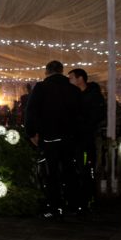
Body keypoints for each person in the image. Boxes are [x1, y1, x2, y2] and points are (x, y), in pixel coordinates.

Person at [25, 60, 82, 219]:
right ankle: (73, 205)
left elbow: (31, 111)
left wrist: (31, 133)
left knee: (51, 173)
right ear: (62, 71)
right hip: (69, 138)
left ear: (47, 72)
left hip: (49, 137)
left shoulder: (41, 88)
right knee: (70, 171)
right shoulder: (73, 90)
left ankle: (54, 206)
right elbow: (79, 115)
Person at [68, 68, 106, 213]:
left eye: (71, 78)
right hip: (75, 138)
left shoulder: (93, 96)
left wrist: (81, 122)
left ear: (80, 79)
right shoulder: (75, 95)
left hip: (86, 139)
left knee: (85, 168)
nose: (69, 81)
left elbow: (97, 116)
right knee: (77, 168)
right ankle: (78, 199)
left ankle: (87, 199)